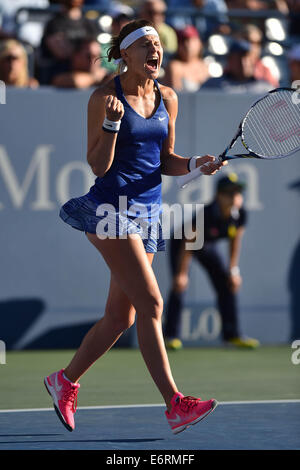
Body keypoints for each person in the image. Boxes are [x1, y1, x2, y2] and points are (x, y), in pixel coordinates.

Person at [43, 18, 226, 435]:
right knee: (153, 304)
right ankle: (175, 403)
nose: (155, 50)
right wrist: (111, 125)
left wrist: (195, 165)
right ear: (125, 54)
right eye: (145, 44)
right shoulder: (103, 98)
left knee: (119, 318)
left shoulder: (168, 97)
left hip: (147, 215)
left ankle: (64, 381)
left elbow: (166, 160)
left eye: (158, 44)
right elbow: (98, 165)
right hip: (110, 211)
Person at [164, 173, 260, 351]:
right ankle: (170, 336)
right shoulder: (206, 213)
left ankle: (232, 335)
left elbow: (234, 241)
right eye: (229, 193)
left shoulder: (241, 214)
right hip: (184, 242)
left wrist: (233, 271)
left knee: (227, 283)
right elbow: (189, 241)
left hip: (207, 244)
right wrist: (182, 274)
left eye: (237, 193)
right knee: (179, 285)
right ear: (218, 196)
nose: (234, 197)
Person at [39, 0, 99, 83]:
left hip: (88, 73)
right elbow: (62, 52)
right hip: (62, 73)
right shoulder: (54, 24)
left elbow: (96, 51)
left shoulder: (89, 24)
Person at [201, 39, 271, 93]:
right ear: (229, 60)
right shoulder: (212, 86)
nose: (244, 62)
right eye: (238, 58)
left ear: (255, 60)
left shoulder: (266, 89)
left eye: (248, 57)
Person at [163, 25, 209, 92]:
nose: (187, 45)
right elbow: (177, 96)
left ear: (199, 43)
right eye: (183, 41)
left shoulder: (205, 66)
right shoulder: (174, 66)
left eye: (192, 40)